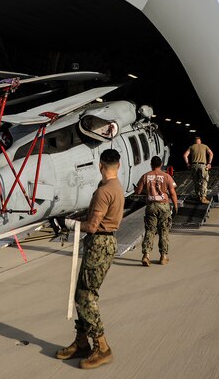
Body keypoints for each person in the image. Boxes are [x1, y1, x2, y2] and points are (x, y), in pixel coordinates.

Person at [56, 148, 124, 370]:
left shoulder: (103, 191)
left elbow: (93, 226)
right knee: (81, 294)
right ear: (119, 166)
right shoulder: (116, 187)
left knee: (86, 297)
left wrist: (67, 224)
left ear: (100, 166)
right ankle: (82, 342)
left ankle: (102, 347)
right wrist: (78, 218)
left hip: (99, 245)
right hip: (105, 243)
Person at [135, 156, 179, 266]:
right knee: (164, 231)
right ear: (161, 164)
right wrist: (176, 206)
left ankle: (146, 255)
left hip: (151, 206)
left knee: (150, 230)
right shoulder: (167, 176)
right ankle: (163, 257)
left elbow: (138, 191)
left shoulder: (145, 176)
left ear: (151, 164)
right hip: (164, 205)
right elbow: (172, 193)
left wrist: (146, 190)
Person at [183, 136, 213, 204]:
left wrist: (187, 163)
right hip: (203, 166)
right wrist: (209, 163)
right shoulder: (205, 146)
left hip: (194, 166)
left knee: (196, 181)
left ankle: (199, 196)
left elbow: (185, 155)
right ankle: (203, 198)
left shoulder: (191, 147)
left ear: (194, 142)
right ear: (200, 141)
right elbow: (211, 153)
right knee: (204, 181)